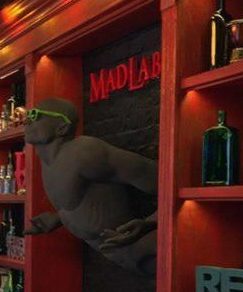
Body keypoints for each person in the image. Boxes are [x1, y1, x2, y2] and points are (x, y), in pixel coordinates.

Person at [22, 97, 158, 275]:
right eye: (28, 115)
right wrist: (60, 218)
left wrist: (151, 222)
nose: (26, 120)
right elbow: (85, 199)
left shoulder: (84, 152)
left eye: (35, 115)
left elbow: (165, 179)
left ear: (62, 127)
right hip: (120, 257)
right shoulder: (47, 161)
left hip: (149, 251)